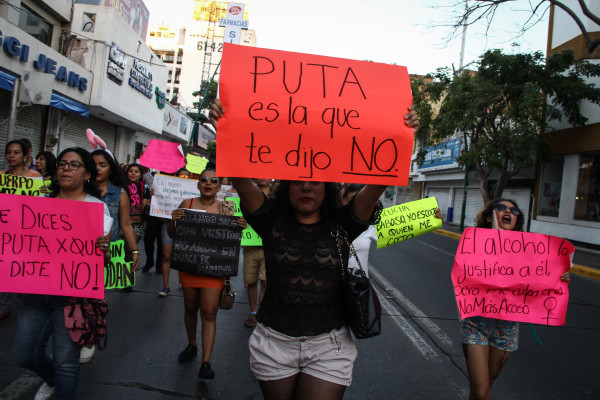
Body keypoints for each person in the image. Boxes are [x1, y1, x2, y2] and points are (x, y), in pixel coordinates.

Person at [209, 99, 419, 399]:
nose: (306, 188)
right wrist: (224, 127)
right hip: (273, 343)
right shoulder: (270, 220)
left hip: (329, 348)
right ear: (286, 187)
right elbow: (241, 180)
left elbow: (377, 184)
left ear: (328, 188)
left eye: (315, 182)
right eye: (297, 182)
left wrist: (403, 134)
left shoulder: (345, 222)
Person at [13, 147, 112, 400]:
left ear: (88, 174)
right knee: (24, 355)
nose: (65, 168)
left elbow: (104, 260)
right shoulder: (37, 204)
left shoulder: (97, 209)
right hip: (35, 293)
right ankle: (51, 379)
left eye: (74, 165)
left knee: (67, 362)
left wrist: (104, 250)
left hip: (72, 298)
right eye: (62, 164)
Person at [461, 199, 571, 400]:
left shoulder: (529, 251)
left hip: (506, 330)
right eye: (502, 208)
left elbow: (539, 281)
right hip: (476, 325)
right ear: (489, 216)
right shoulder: (473, 242)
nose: (508, 212)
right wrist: (495, 234)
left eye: (514, 211)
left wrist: (559, 277)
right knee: (480, 390)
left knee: (484, 391)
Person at [167, 167, 246, 379]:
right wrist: (173, 220)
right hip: (190, 266)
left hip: (214, 270)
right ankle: (192, 344)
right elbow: (172, 233)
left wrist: (239, 225)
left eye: (214, 180)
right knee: (190, 307)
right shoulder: (187, 204)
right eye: (204, 179)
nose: (208, 183)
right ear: (198, 184)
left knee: (209, 312)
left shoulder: (227, 208)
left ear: (220, 186)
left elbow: (232, 237)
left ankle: (206, 361)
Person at [85, 150, 140, 363]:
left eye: (103, 164)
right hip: (76, 253)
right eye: (94, 164)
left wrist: (134, 251)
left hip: (105, 255)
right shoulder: (79, 190)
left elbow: (125, 225)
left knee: (95, 297)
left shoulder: (119, 193)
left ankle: (90, 333)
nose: (98, 168)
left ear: (111, 169)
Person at [0, 140, 42, 321]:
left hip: (25, 232)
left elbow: (41, 205)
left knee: (21, 267)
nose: (11, 156)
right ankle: (4, 305)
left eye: (16, 152)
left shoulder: (35, 177)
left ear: (25, 156)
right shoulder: (1, 176)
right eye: (9, 152)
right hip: (4, 230)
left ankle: (24, 300)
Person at [242, 178, 270, 328]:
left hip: (268, 247)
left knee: (265, 281)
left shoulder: (277, 197)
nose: (264, 177)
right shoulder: (246, 195)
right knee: (250, 281)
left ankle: (262, 313)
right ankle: (253, 312)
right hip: (250, 246)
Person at [124, 163, 150, 243]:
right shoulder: (122, 186)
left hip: (139, 222)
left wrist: (147, 202)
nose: (133, 173)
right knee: (125, 247)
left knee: (131, 246)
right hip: (124, 221)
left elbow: (149, 205)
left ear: (140, 174)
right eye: (130, 171)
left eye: (136, 172)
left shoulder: (145, 188)